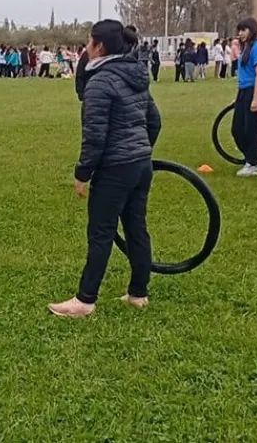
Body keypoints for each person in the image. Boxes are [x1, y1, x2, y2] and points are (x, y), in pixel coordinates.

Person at [49, 21, 161, 318]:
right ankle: (138, 293)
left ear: (98, 46)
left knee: (101, 232)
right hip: (140, 164)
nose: (86, 47)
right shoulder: (135, 75)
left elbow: (95, 137)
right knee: (136, 227)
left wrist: (82, 173)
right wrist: (141, 150)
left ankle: (85, 300)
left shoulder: (100, 82)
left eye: (89, 42)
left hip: (115, 168)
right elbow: (154, 121)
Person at [232, 18, 257, 177]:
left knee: (251, 129)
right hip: (243, 90)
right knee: (237, 129)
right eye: (239, 30)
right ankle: (252, 159)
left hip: (254, 90)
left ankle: (253, 163)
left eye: (244, 30)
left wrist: (256, 98)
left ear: (252, 30)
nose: (241, 33)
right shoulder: (245, 47)